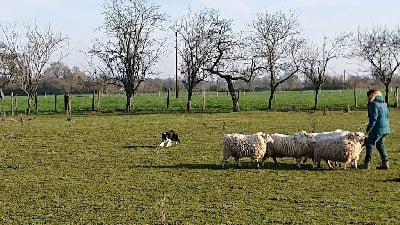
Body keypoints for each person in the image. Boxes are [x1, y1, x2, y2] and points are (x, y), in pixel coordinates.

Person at [361, 89, 391, 170]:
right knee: (380, 145)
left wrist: (368, 129)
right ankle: (385, 163)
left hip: (377, 129)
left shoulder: (373, 104)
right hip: (385, 128)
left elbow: (373, 119)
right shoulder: (384, 104)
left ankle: (366, 164)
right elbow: (387, 115)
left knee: (369, 145)